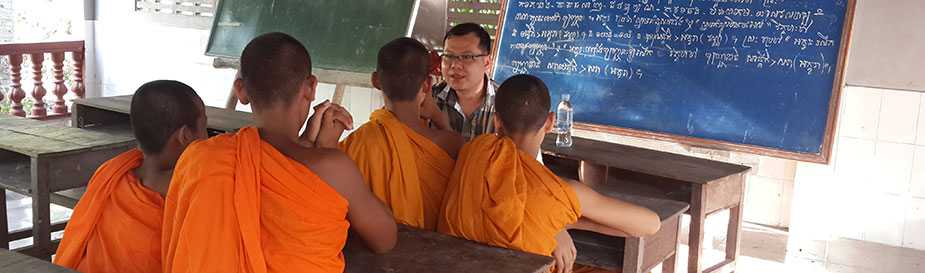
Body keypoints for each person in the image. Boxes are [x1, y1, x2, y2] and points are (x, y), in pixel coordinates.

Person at [161, 32, 397, 273]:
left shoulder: (201, 158)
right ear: (311, 87)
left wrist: (307, 145)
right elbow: (384, 239)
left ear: (240, 91)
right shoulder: (332, 167)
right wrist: (326, 150)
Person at [439, 74, 661, 273]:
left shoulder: (473, 152)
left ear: (497, 122)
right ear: (550, 122)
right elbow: (650, 224)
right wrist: (567, 223)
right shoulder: (561, 193)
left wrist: (563, 225)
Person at [54, 80, 208, 273]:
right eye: (204, 126)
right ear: (185, 135)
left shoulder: (112, 172)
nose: (207, 137)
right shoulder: (195, 192)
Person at [340, 37, 464, 230]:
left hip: (374, 253)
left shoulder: (354, 145)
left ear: (376, 80)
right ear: (427, 85)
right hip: (437, 256)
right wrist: (440, 119)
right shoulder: (452, 145)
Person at [433, 23, 499, 141]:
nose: (455, 65)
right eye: (448, 56)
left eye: (467, 57)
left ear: (487, 63)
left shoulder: (506, 105)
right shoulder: (429, 98)